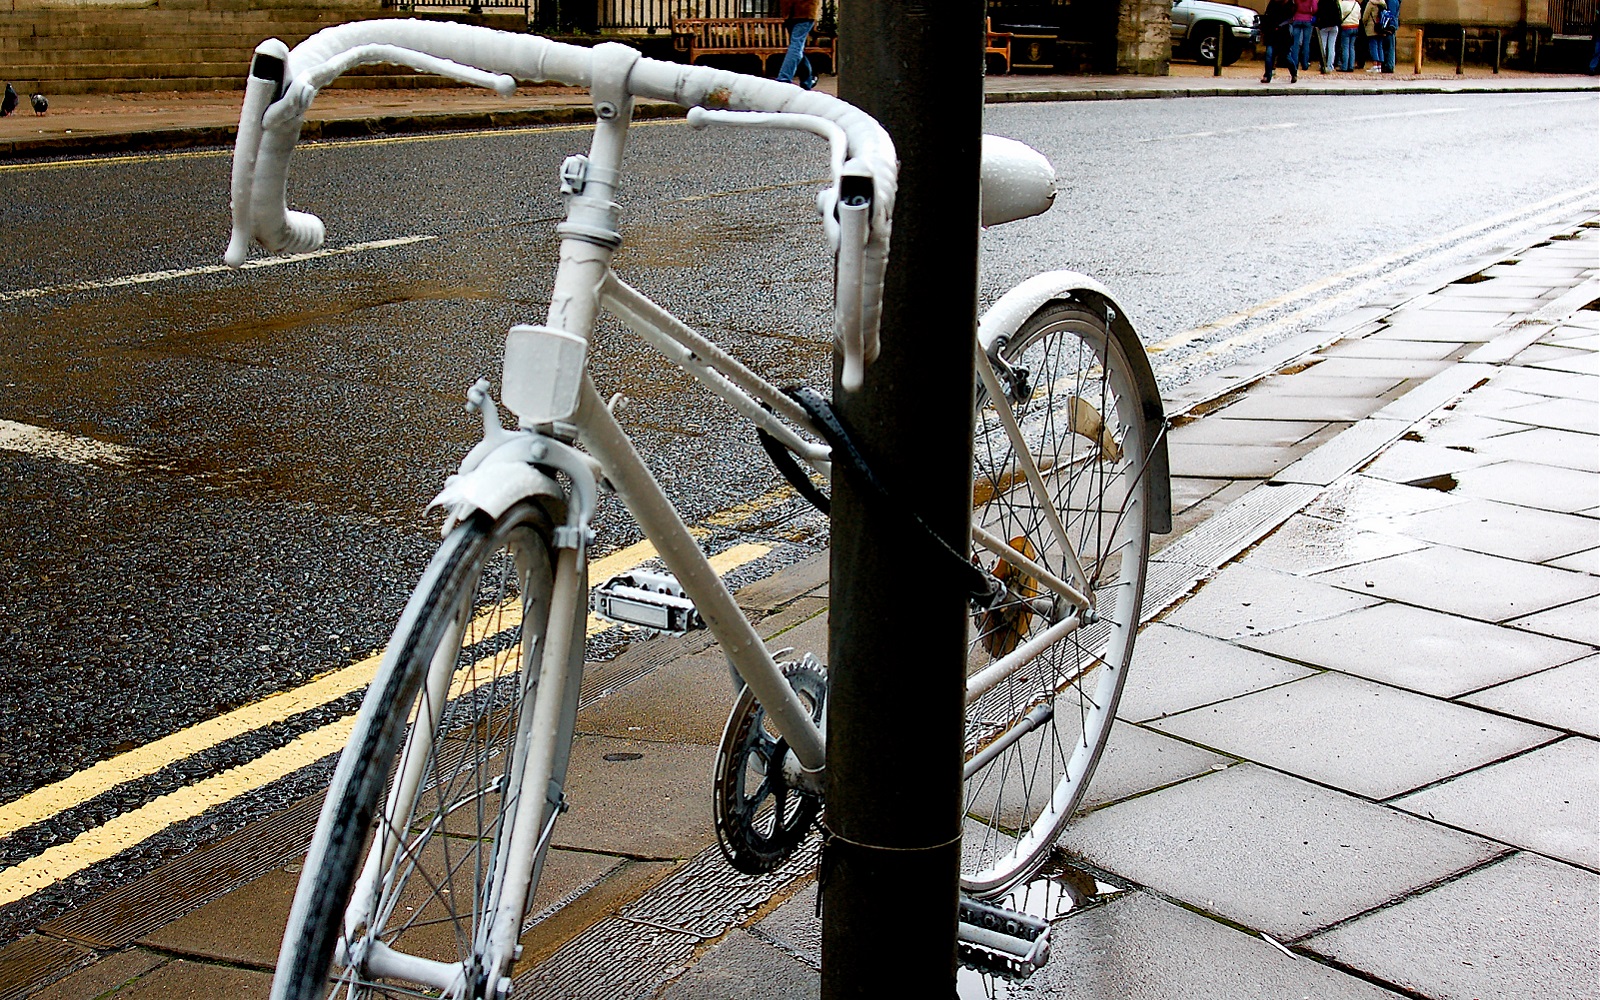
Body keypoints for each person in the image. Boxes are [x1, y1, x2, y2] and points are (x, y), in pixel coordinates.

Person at [775, 0, 819, 89]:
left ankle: (807, 80)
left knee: (796, 46)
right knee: (796, 46)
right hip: (806, 11)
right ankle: (784, 78)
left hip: (789, 11)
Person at [1261, 0, 1297, 82]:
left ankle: (1294, 73)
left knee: (1285, 56)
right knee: (1269, 55)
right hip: (1272, 32)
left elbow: (1290, 18)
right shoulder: (1272, 3)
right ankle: (1267, 75)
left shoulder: (1290, 4)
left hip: (1283, 33)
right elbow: (1268, 16)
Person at [1290, 0, 1318, 74]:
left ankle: (1294, 64)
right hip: (1308, 19)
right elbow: (1315, 8)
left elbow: (1292, 5)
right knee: (1306, 43)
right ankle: (1305, 64)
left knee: (1295, 43)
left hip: (1297, 18)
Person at [1315, 0, 1341, 72]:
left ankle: (1322, 64)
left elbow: (1318, 13)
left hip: (1324, 25)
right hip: (1334, 25)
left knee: (1322, 46)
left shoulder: (1321, 2)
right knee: (1332, 46)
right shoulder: (1335, 2)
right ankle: (1330, 65)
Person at [1361, 0, 1386, 72]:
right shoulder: (1383, 3)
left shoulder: (1371, 3)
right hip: (1381, 27)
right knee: (1380, 47)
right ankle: (1379, 66)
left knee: (1373, 46)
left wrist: (1365, 24)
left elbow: (1365, 16)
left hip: (1372, 27)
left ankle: (1375, 65)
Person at [1338, 0, 1361, 70]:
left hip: (1346, 26)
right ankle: (1351, 66)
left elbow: (1340, 14)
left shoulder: (1343, 3)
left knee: (1345, 47)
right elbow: (1359, 16)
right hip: (1355, 26)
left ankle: (1344, 66)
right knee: (1351, 47)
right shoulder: (1356, 4)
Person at [1382, 0, 1401, 72]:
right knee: (1388, 46)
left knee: (1389, 47)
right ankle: (1388, 65)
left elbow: (1391, 14)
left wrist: (1391, 25)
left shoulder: (1392, 1)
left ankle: (1389, 66)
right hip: (1390, 25)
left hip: (1389, 26)